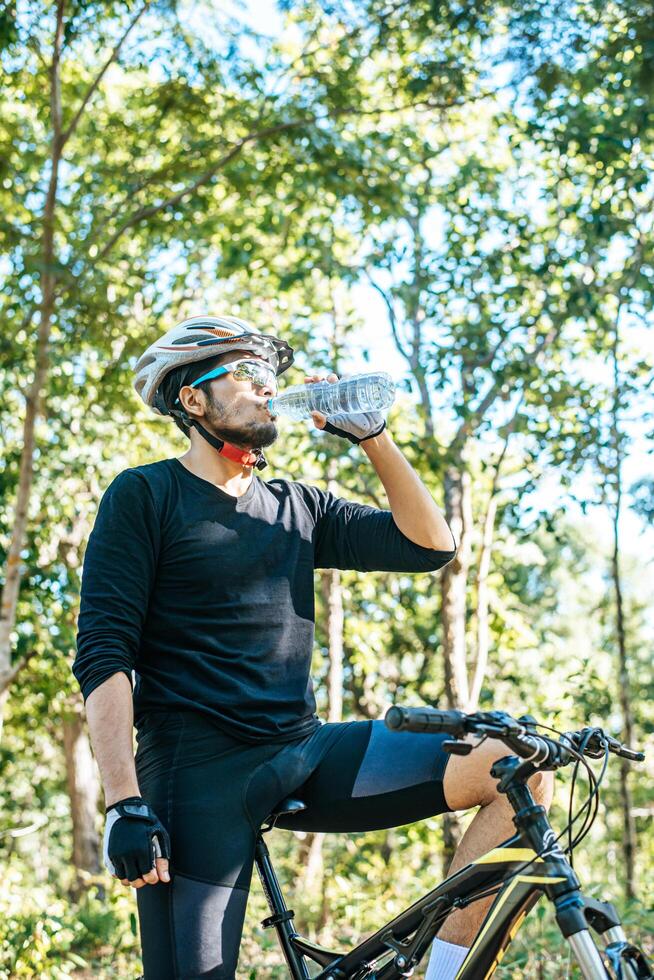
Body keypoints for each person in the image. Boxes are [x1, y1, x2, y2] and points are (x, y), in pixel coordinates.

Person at [72, 314, 552, 980]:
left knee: (519, 764)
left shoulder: (299, 506)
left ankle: (441, 973)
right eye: (244, 374)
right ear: (192, 399)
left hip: (303, 749)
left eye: (271, 376)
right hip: (197, 775)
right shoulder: (145, 494)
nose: (267, 389)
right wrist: (124, 801)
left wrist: (372, 436)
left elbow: (431, 545)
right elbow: (104, 652)